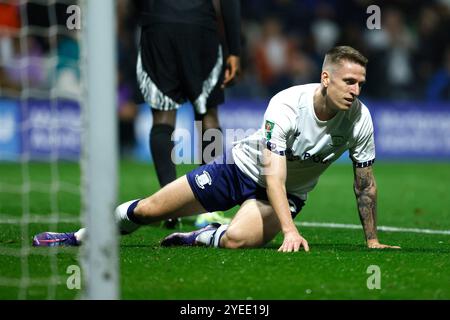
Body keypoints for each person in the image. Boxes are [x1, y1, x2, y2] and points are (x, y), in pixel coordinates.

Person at [33, 46, 400, 252]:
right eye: (349, 81)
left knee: (237, 241)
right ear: (326, 78)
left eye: (360, 83)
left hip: (287, 194)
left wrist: (372, 240)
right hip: (237, 170)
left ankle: (200, 236)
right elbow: (273, 172)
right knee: (148, 210)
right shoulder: (288, 104)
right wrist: (290, 232)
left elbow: (364, 185)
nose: (355, 90)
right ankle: (76, 238)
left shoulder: (360, 120)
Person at [133, 0, 241, 228]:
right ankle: (209, 206)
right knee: (208, 116)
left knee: (163, 116)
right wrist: (235, 50)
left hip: (158, 24)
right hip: (199, 25)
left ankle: (168, 208)